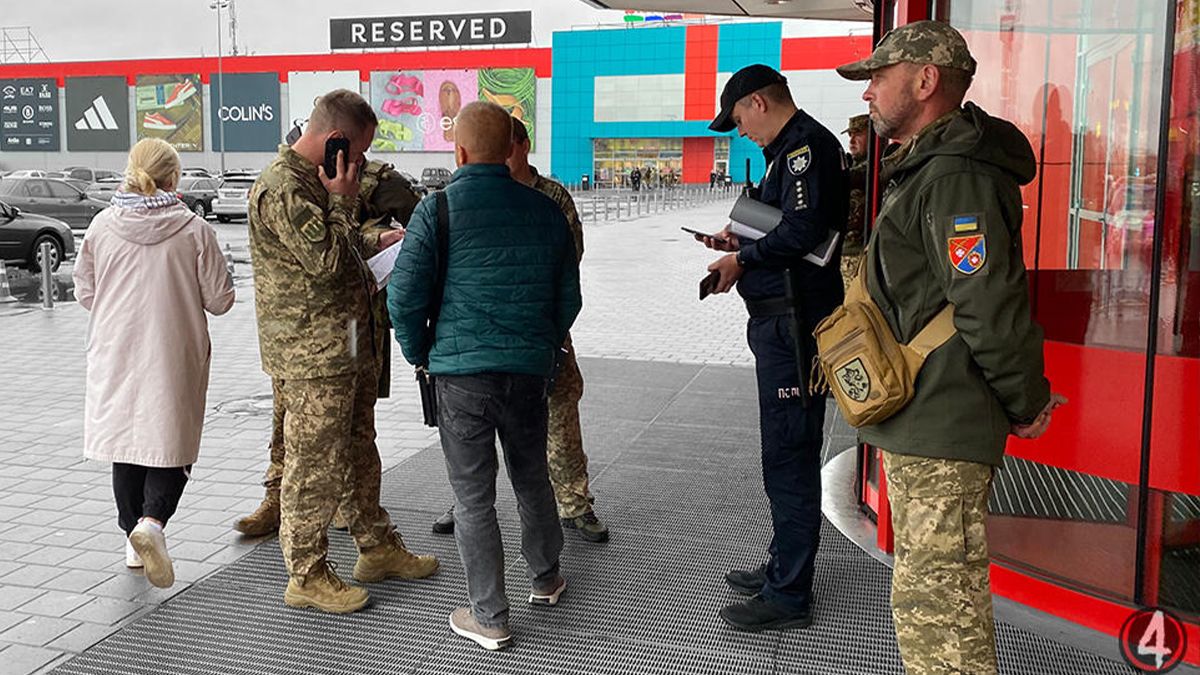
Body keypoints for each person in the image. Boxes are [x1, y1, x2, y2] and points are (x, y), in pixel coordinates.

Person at [835, 21, 1066, 673]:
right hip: (923, 423)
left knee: (942, 618)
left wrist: (1026, 401)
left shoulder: (955, 178)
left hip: (943, 426)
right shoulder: (928, 169)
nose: (869, 93)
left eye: (879, 78)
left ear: (926, 79)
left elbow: (989, 305)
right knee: (928, 604)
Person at [388, 101, 582, 651]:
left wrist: (422, 352)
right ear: (511, 149)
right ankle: (546, 578)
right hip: (527, 374)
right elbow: (569, 300)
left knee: (473, 498)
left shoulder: (437, 210)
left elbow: (402, 297)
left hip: (460, 378)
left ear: (461, 151)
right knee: (531, 477)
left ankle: (489, 615)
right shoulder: (546, 212)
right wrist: (539, 343)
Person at [248, 89, 437, 615]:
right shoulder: (285, 187)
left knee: (358, 448)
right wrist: (344, 201)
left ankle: (375, 546)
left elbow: (339, 245)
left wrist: (373, 242)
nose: (359, 166)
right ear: (335, 141)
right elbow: (326, 263)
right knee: (314, 463)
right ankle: (305, 574)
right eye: (356, 153)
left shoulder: (316, 184)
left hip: (344, 345)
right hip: (312, 356)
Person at [697, 64, 848, 631]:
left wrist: (743, 258)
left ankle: (789, 594)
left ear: (759, 102)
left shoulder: (807, 148)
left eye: (739, 120)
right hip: (779, 322)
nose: (740, 133)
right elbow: (784, 226)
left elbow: (804, 233)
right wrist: (740, 238)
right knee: (782, 452)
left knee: (789, 452)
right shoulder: (787, 152)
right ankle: (782, 566)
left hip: (797, 325)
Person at [428, 117, 608, 543]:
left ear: (523, 146)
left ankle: (574, 502)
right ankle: (467, 503)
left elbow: (567, 265)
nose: (500, 156)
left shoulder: (551, 198)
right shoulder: (462, 198)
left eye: (507, 147)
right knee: (473, 427)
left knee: (561, 413)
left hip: (539, 332)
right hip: (479, 339)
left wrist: (550, 329)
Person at [74, 138, 235, 588]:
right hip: (173, 351)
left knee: (126, 446)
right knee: (170, 442)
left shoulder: (102, 226)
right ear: (174, 179)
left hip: (115, 350)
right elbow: (220, 300)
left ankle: (131, 538)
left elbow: (85, 293)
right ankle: (152, 524)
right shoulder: (194, 230)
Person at [233, 160, 420, 537]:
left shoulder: (382, 182)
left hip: (352, 322)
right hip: (299, 331)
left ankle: (351, 512)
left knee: (349, 420)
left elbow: (413, 230)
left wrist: (377, 240)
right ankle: (277, 498)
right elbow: (321, 244)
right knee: (287, 417)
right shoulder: (292, 182)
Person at [841, 113, 870, 290]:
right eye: (850, 135)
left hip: (857, 251)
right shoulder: (852, 164)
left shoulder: (873, 166)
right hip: (845, 249)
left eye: (858, 134)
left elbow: (851, 178)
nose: (852, 140)